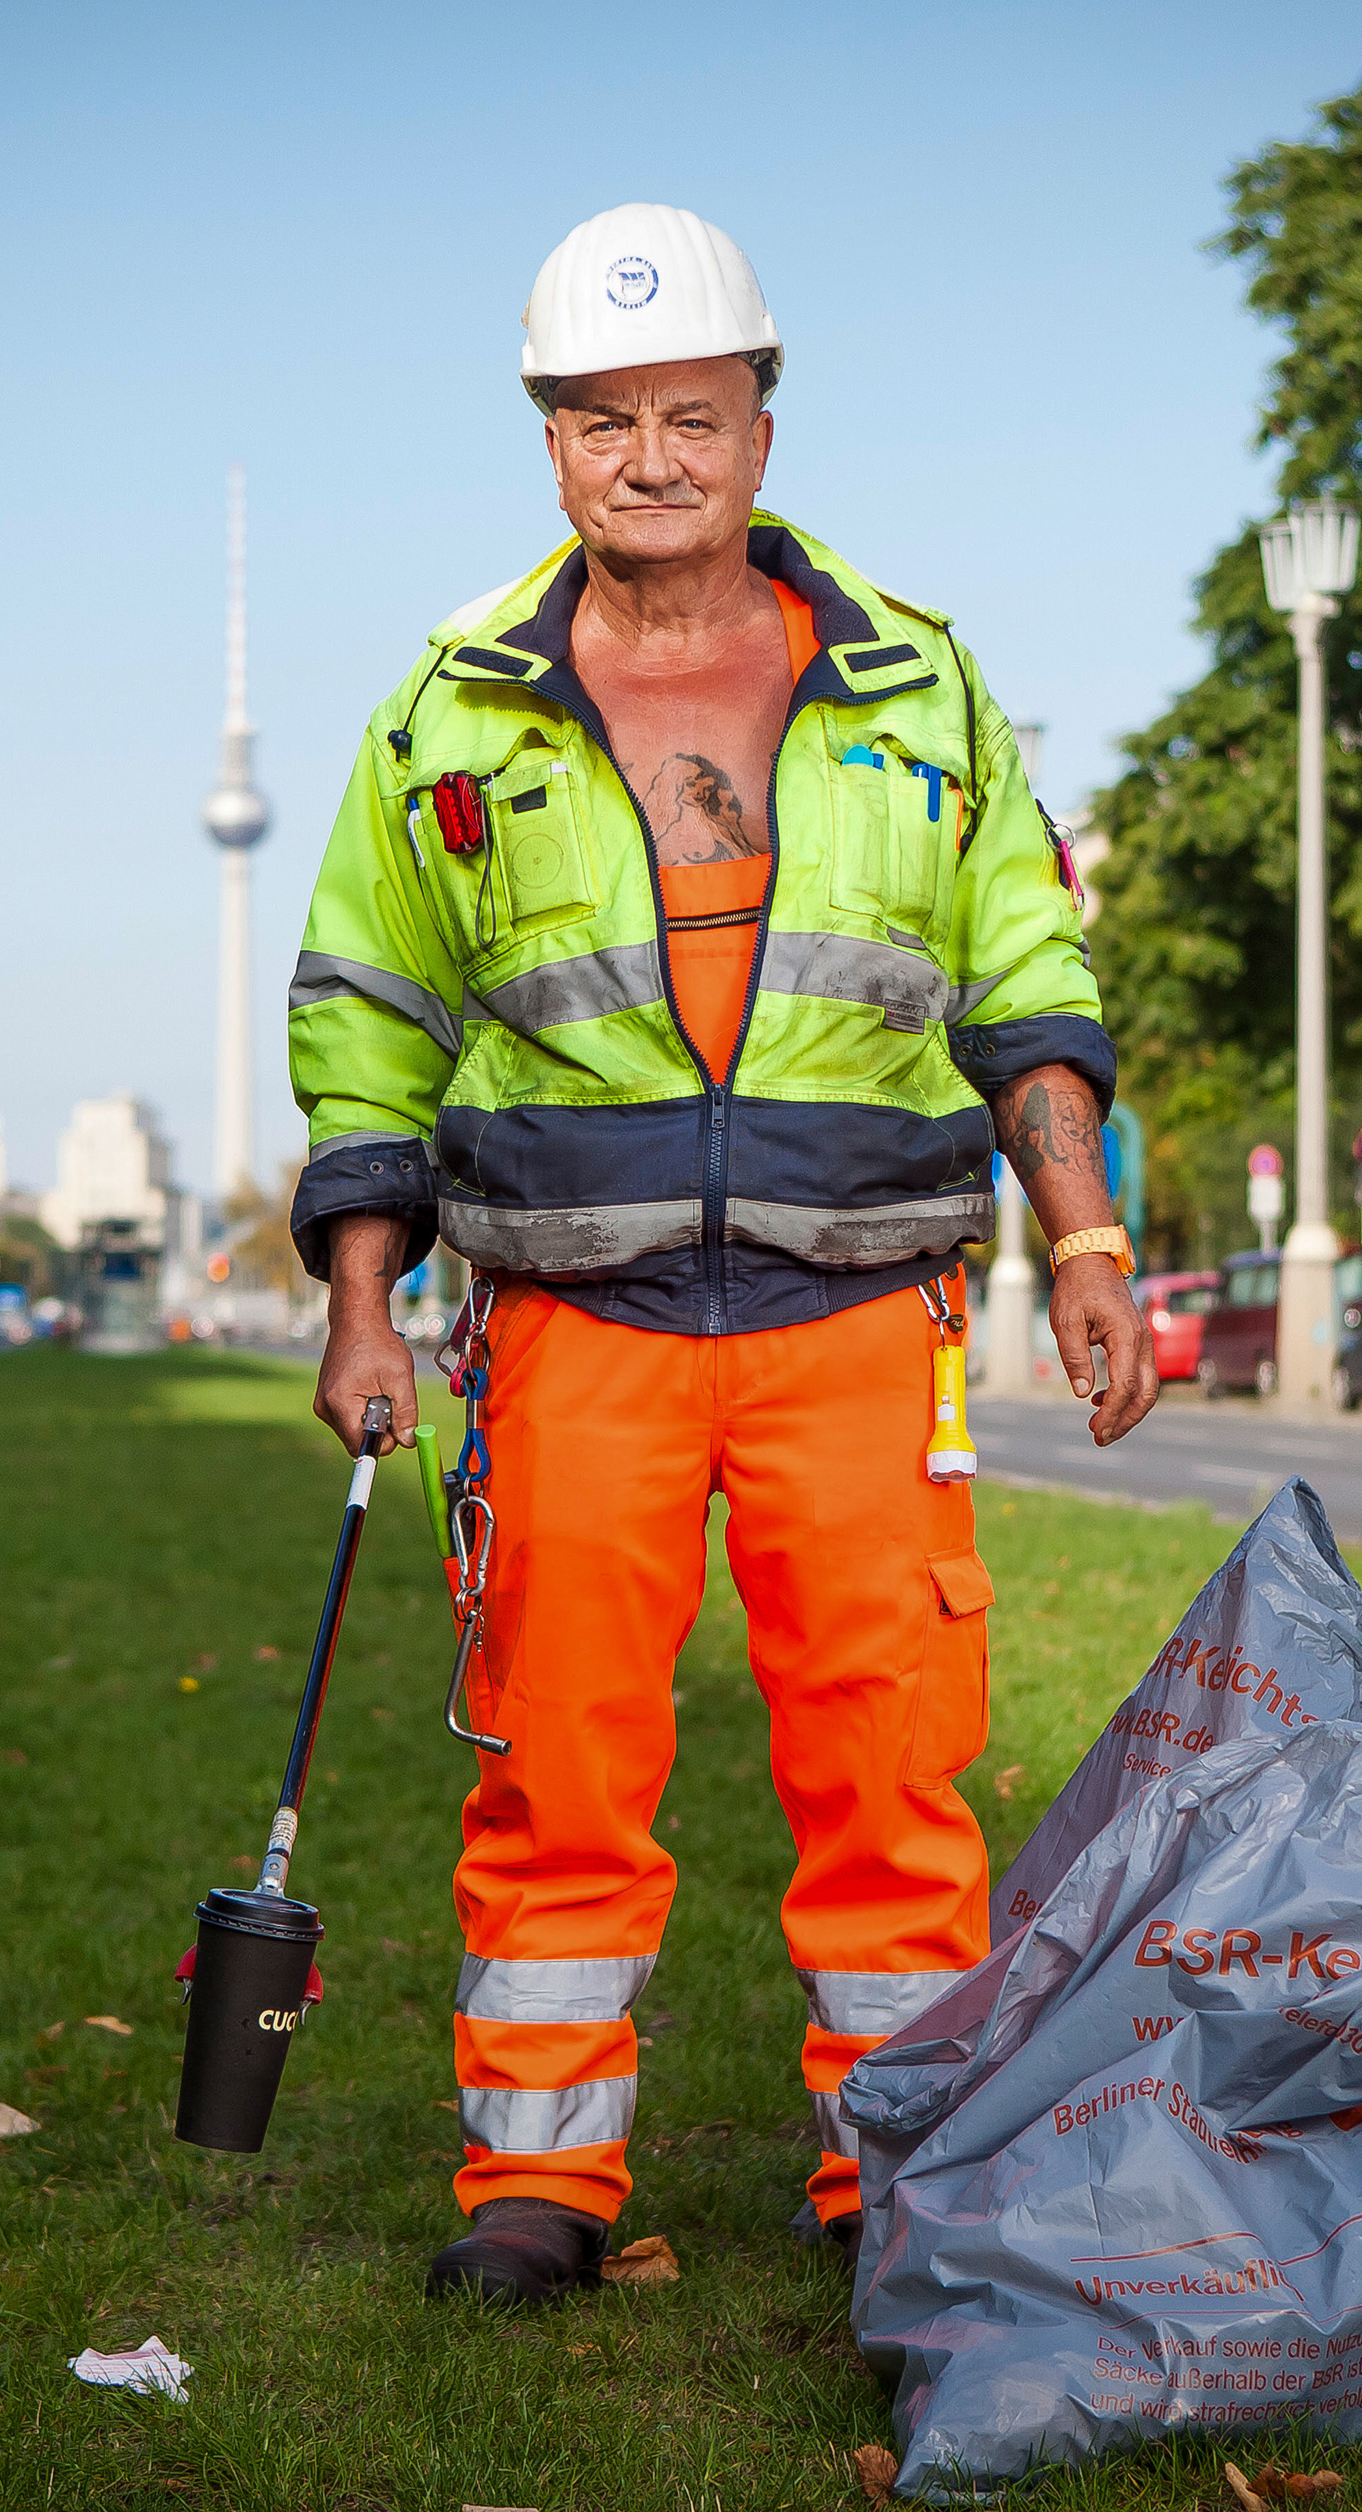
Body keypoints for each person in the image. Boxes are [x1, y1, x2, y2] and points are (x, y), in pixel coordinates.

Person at [287, 202, 1158, 2306]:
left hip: (859, 1316)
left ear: (764, 425)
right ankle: (537, 2186)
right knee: (559, 1766)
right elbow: (368, 1023)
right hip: (568, 1326)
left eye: (690, 414)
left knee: (889, 1772)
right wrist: (361, 1304)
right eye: (602, 419)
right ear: (549, 442)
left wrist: (1089, 1233)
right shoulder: (447, 713)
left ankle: (901, 2181)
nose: (650, 457)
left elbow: (1026, 970)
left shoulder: (919, 682)